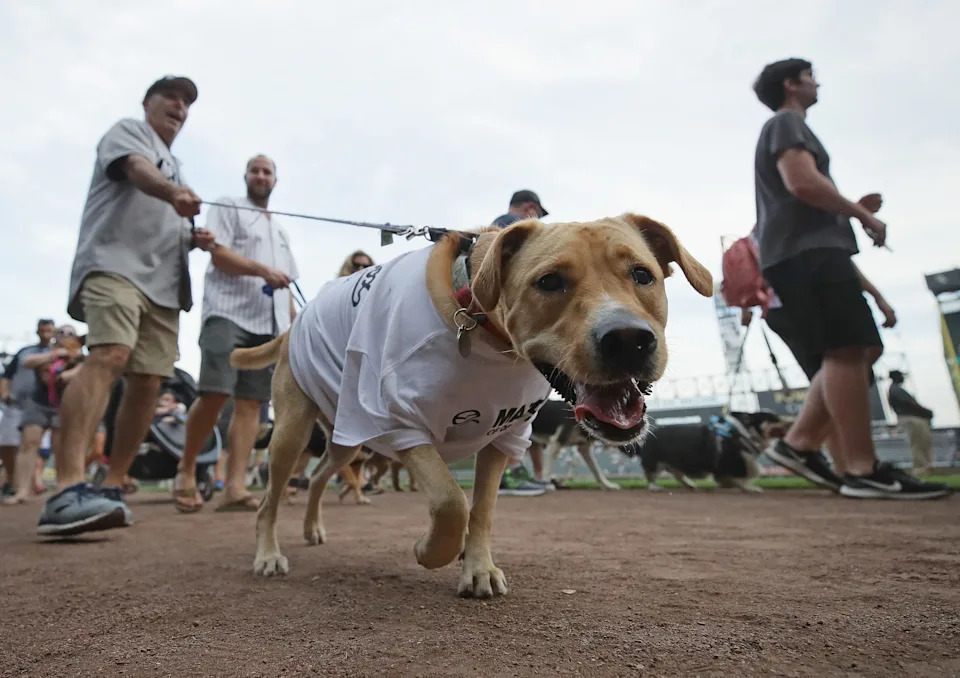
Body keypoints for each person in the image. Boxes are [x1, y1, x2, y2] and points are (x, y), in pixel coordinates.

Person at [751, 58, 949, 499]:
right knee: (846, 350)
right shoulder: (786, 123)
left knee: (861, 349)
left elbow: (802, 192)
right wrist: (861, 214)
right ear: (791, 84)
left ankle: (800, 444)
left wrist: (849, 208)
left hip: (807, 252)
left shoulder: (785, 128)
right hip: (806, 254)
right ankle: (859, 467)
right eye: (810, 77)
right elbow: (802, 183)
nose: (817, 83)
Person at [40, 75, 216, 536]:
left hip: (164, 288)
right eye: (171, 97)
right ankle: (67, 488)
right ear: (147, 103)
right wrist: (174, 194)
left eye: (186, 102)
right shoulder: (129, 132)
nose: (179, 106)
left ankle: (113, 484)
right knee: (110, 354)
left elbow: (169, 214)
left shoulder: (178, 168)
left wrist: (193, 238)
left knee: (149, 379)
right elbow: (136, 169)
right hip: (115, 265)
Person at [173, 154, 299, 513]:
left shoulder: (281, 232)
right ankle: (186, 469)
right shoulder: (229, 206)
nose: (261, 176)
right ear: (246, 177)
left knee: (251, 404)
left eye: (267, 171)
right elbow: (219, 256)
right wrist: (263, 271)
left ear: (275, 180)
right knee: (214, 392)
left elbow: (288, 288)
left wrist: (296, 326)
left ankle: (235, 487)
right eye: (255, 170)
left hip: (269, 325)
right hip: (227, 314)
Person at [490, 191, 553, 496]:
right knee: (512, 410)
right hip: (507, 338)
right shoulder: (515, 229)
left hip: (495, 335)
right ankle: (510, 474)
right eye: (538, 215)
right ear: (530, 209)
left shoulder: (495, 232)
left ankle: (512, 473)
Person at [0, 319, 56, 502]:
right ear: (37, 331)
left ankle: (30, 483)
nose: (46, 334)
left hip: (49, 404)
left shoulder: (62, 353)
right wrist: (4, 392)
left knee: (40, 446)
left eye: (49, 330)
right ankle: (15, 484)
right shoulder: (25, 352)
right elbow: (8, 374)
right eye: (42, 330)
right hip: (18, 404)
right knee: (11, 444)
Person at [887, 371, 935, 477]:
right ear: (896, 376)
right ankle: (921, 469)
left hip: (913, 418)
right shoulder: (895, 389)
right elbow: (910, 404)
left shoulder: (896, 389)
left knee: (923, 442)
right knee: (918, 443)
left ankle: (925, 467)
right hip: (910, 418)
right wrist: (926, 411)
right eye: (901, 375)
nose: (903, 378)